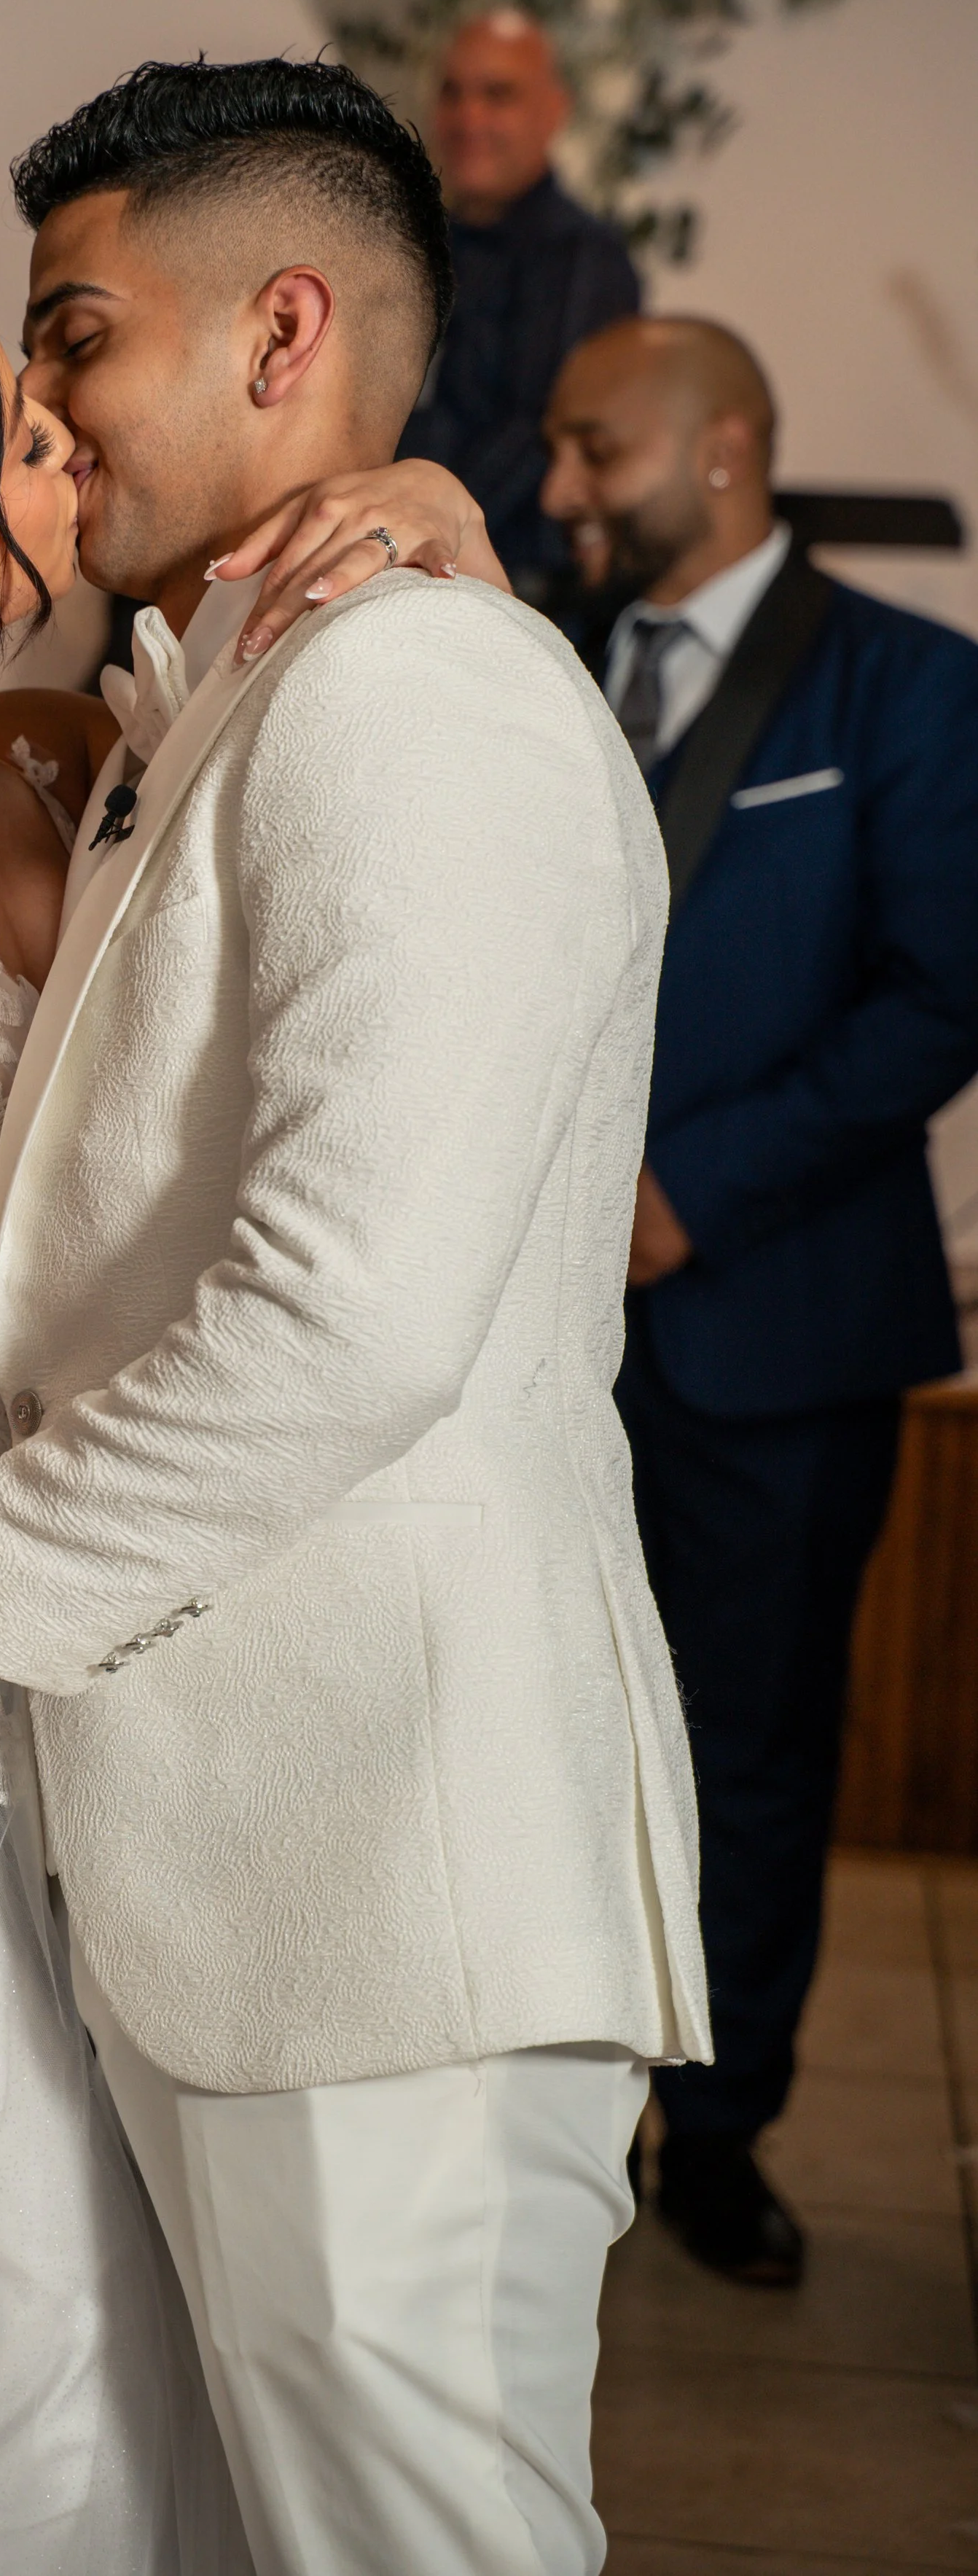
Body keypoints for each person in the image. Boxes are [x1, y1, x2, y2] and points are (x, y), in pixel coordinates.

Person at [0, 59, 709, 2576]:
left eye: (74, 332)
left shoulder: (414, 693)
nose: (36, 408)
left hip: (382, 1871)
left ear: (280, 332)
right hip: (228, 1862)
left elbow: (345, 1316)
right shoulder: (206, 706)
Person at [538, 314, 978, 2283]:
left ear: (721, 450)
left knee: (752, 1745)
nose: (558, 489)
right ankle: (547, 2099)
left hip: (776, 1321)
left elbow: (938, 997)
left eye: (594, 451)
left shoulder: (912, 686)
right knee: (541, 1723)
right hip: (524, 1328)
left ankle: (716, 2129)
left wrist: (687, 1194)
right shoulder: (534, 662)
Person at [399, 9, 641, 601]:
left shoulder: (582, 258)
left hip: (510, 589)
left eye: (498, 94)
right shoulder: (412, 241)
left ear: (554, 112)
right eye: (452, 93)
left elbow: (542, 433)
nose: (468, 118)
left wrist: (419, 527)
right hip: (402, 556)